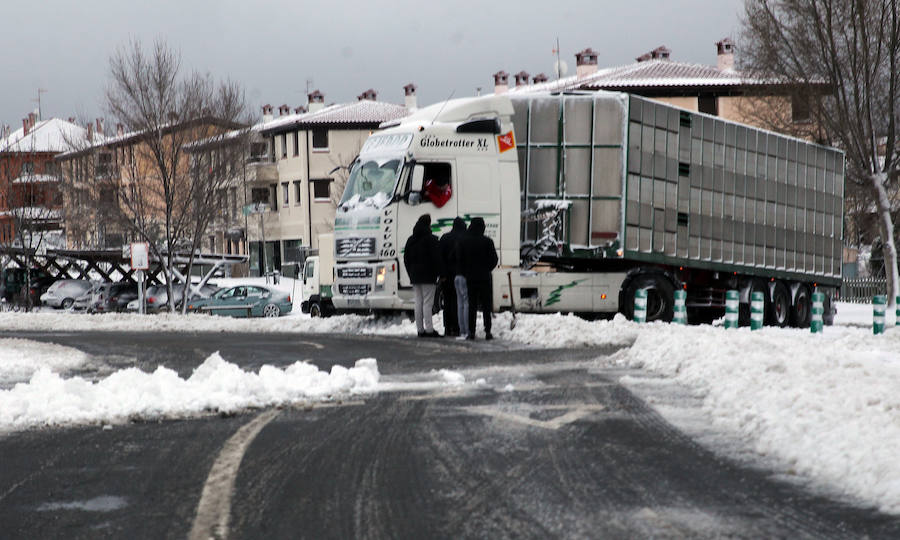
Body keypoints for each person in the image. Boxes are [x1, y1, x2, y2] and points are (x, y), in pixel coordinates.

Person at [403, 214, 442, 337]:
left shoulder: (410, 240)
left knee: (418, 302)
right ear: (429, 224)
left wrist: (410, 273)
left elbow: (406, 258)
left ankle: (420, 330)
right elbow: (437, 259)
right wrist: (440, 273)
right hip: (428, 276)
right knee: (427, 303)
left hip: (415, 276)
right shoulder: (432, 239)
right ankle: (429, 330)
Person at [462, 217, 498, 340]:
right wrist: (487, 269)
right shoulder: (488, 241)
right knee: (486, 305)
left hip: (470, 278)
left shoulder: (465, 242)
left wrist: (466, 272)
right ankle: (487, 331)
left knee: (472, 305)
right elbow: (494, 259)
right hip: (484, 278)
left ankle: (471, 331)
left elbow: (460, 259)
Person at [439, 217, 468, 338]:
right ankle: (457, 327)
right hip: (461, 274)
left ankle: (447, 327)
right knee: (459, 302)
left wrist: (442, 274)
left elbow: (440, 258)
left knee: (447, 301)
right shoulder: (465, 238)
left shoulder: (445, 238)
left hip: (446, 275)